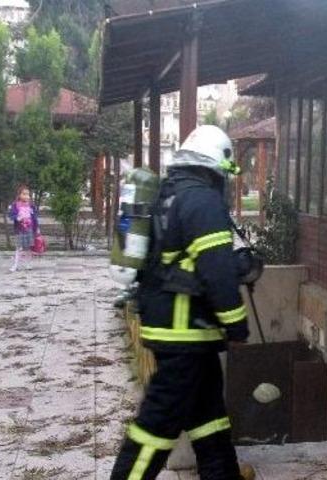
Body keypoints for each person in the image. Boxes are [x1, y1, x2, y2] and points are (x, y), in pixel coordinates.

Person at [110, 126, 253, 480]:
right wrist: (237, 326)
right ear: (213, 167)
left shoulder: (170, 194)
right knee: (158, 422)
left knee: (208, 414)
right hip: (184, 330)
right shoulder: (202, 201)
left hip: (180, 328)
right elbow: (217, 272)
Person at [7, 185, 40, 272]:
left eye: (28, 194)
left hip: (30, 228)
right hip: (19, 229)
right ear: (19, 195)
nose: (26, 196)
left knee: (28, 247)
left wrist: (37, 228)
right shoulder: (15, 205)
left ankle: (28, 264)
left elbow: (34, 217)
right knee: (18, 247)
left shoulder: (31, 205)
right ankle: (15, 265)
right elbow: (11, 215)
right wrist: (17, 218)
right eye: (24, 194)